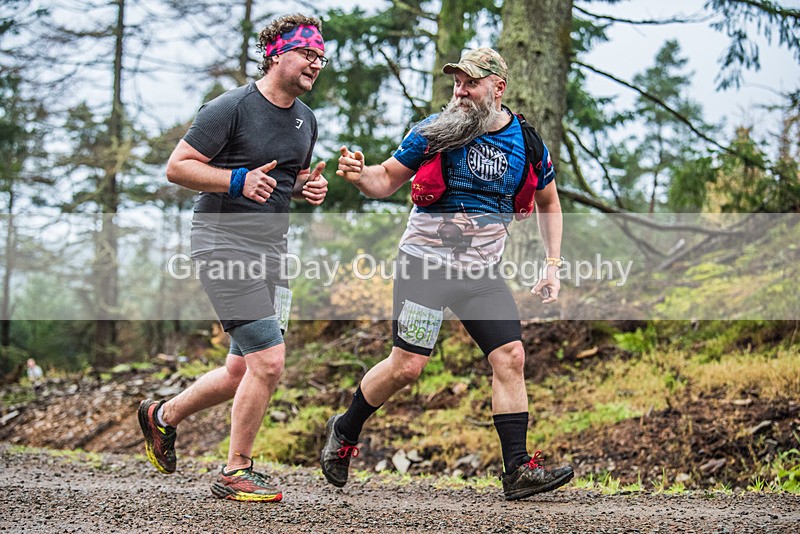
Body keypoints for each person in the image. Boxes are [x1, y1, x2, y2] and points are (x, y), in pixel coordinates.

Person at [321, 48, 573, 501]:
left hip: (482, 275)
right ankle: (345, 427)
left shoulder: (528, 143)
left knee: (510, 356)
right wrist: (360, 175)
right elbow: (385, 179)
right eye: (456, 83)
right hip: (425, 268)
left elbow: (550, 204)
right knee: (407, 367)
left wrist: (552, 265)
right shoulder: (434, 132)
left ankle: (516, 469)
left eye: (470, 83)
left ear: (498, 87)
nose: (459, 92)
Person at [138, 13, 329, 503]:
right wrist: (236, 179)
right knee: (268, 361)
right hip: (224, 242)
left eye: (321, 56)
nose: (316, 62)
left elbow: (290, 177)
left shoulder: (307, 119)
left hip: (274, 251)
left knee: (241, 370)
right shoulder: (231, 107)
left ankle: (163, 416)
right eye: (307, 53)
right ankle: (235, 470)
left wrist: (312, 187)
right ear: (276, 54)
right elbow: (177, 167)